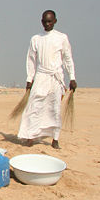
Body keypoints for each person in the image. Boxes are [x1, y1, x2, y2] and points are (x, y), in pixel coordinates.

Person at [18, 10, 77, 149]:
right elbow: (31, 60)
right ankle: (30, 136)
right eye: (45, 21)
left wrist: (72, 77)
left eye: (50, 21)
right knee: (34, 106)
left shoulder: (62, 38)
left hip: (56, 78)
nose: (47, 24)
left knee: (54, 108)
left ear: (55, 21)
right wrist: (29, 79)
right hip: (41, 76)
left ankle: (55, 138)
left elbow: (68, 59)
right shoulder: (36, 39)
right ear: (41, 21)